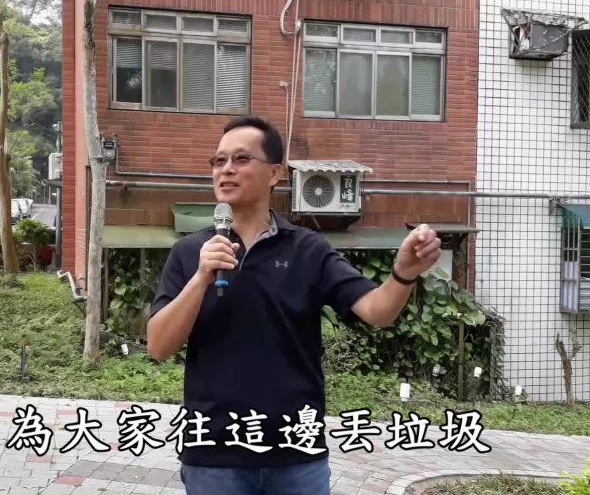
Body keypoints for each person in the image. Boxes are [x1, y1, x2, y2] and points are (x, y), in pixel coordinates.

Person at [147, 115, 441, 495]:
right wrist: (202, 277)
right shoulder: (190, 253)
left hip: (297, 455)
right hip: (215, 456)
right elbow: (158, 346)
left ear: (275, 173)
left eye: (241, 159)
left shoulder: (307, 249)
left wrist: (404, 274)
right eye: (218, 161)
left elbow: (377, 311)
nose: (226, 169)